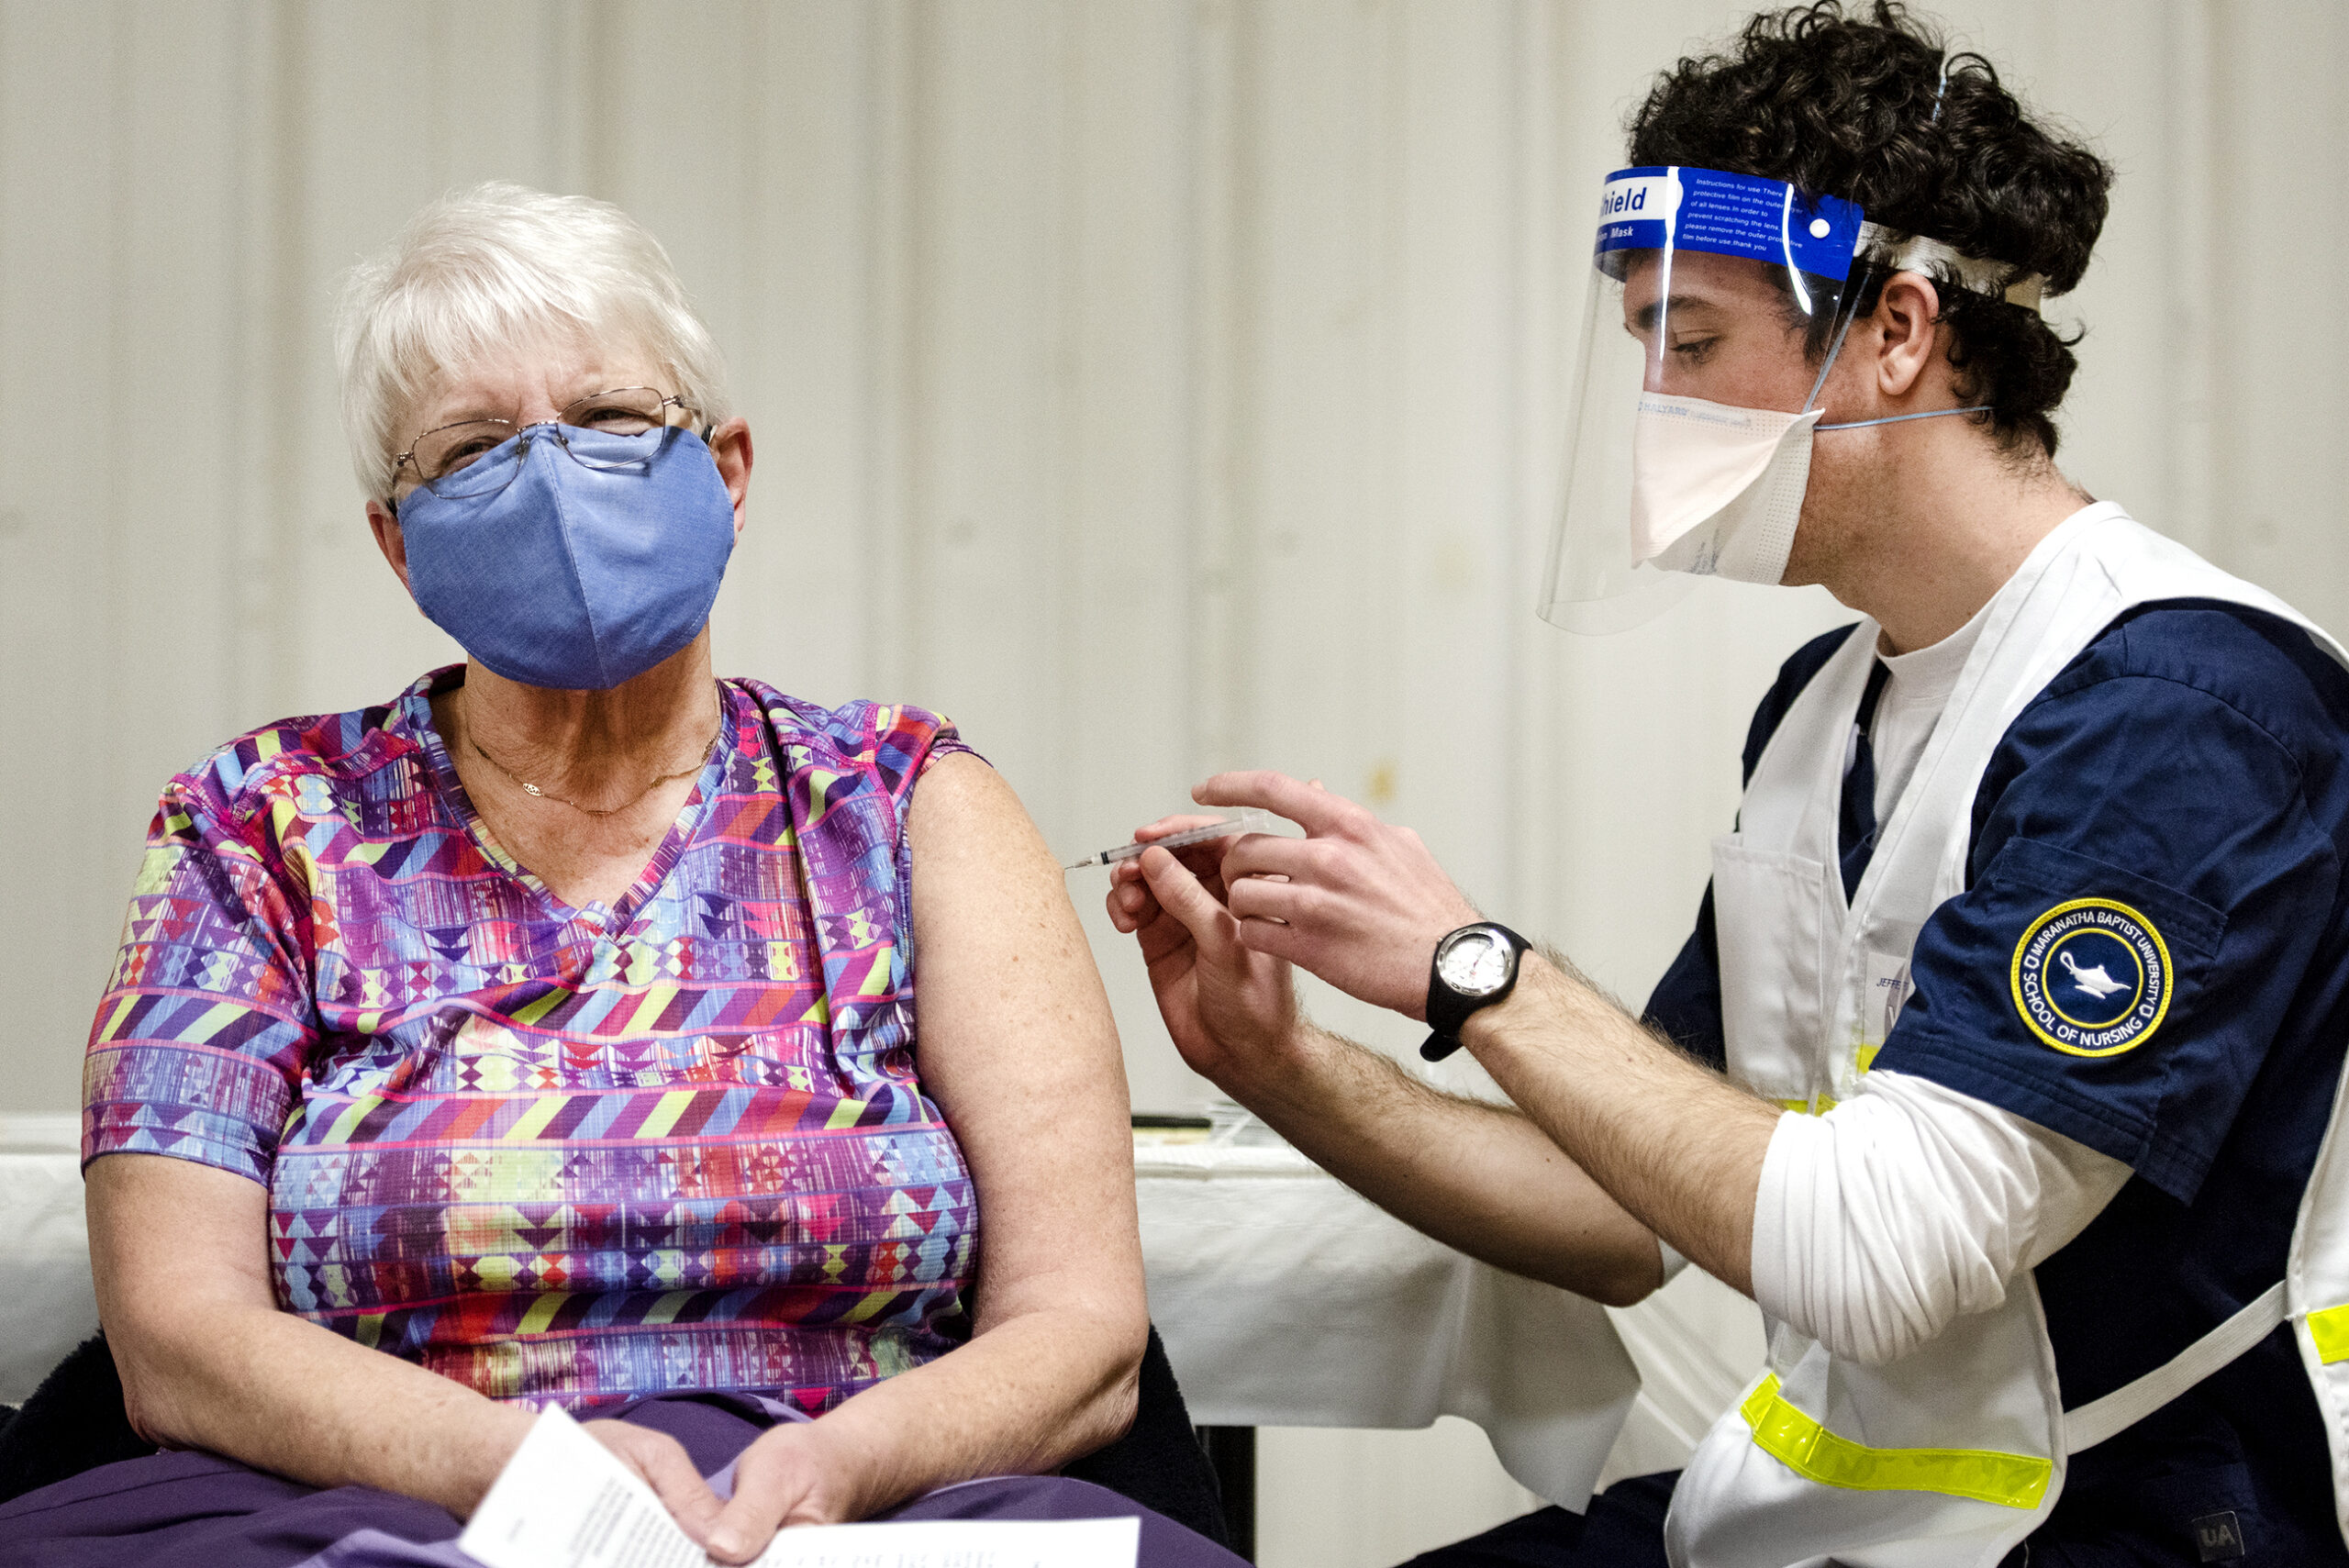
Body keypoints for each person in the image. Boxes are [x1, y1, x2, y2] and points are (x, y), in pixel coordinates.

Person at [1108, 6, 2349, 1565]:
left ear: (1896, 328)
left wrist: (1472, 968)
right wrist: (1283, 1066)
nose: (1656, 409)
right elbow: (1629, 1209)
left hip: (2121, 1521)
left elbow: (1882, 1254)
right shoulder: (1825, 710)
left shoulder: (2180, 714)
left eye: (1692, 344)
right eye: (1641, 351)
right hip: (1833, 1515)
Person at [1, 183, 1236, 1568]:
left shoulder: (908, 805)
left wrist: (832, 1469)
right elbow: (178, 1334)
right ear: (398, 544)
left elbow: (1079, 1329)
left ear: (730, 468)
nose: (550, 477)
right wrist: (530, 1472)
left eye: (605, 421)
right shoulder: (258, 826)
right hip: (379, 1506)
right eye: (472, 448)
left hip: (873, 1510)